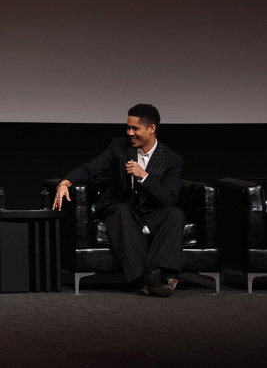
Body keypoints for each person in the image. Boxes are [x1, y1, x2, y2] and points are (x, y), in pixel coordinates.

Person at [52, 104, 185, 297]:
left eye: (135, 128)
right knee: (121, 211)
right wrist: (65, 182)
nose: (129, 132)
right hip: (119, 207)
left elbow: (169, 199)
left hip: (151, 212)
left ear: (152, 128)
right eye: (128, 127)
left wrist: (145, 177)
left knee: (176, 214)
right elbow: (92, 168)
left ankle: (152, 276)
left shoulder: (172, 159)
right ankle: (153, 278)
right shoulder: (119, 147)